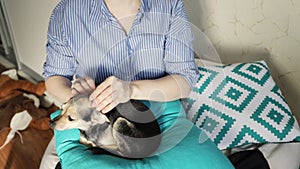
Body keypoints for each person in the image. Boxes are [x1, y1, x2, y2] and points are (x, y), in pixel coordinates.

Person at [40, 0, 198, 168]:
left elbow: (185, 80)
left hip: (156, 121)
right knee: (49, 164)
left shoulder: (170, 5)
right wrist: (80, 101)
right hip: (89, 120)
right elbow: (54, 78)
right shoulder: (67, 12)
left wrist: (130, 90)